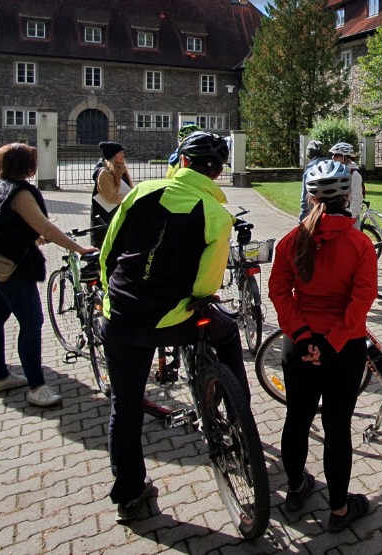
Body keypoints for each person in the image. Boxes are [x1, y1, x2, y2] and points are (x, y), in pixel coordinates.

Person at [99, 130, 249, 523]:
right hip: (174, 318)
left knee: (125, 405)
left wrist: (111, 292)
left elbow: (109, 250)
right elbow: (206, 286)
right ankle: (238, 416)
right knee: (228, 332)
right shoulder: (216, 214)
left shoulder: (142, 192)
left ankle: (130, 492)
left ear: (182, 161)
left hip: (122, 314)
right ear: (218, 173)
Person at [269, 159, 377, 533]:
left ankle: (295, 489)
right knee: (337, 427)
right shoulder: (361, 244)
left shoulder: (290, 240)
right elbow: (363, 298)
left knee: (297, 418)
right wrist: (332, 343)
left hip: (299, 344)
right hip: (343, 348)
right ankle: (340, 509)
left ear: (311, 196)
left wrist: (303, 337)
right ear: (347, 196)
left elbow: (279, 292)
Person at [0, 143, 96, 407]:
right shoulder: (20, 192)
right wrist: (80, 249)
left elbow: (3, 224)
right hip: (15, 266)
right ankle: (37, 387)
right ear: (26, 165)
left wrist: (32, 236)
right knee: (31, 322)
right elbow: (46, 228)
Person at [90, 141, 133, 247]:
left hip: (118, 215)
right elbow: (111, 197)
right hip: (105, 219)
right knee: (105, 246)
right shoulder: (105, 173)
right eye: (120, 153)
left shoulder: (121, 169)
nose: (123, 155)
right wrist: (132, 197)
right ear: (113, 156)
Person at [329, 142, 363, 229]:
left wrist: (351, 217)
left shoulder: (354, 174)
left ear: (345, 157)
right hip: (335, 215)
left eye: (336, 155)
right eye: (332, 155)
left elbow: (357, 198)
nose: (333, 157)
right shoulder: (335, 171)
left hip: (348, 216)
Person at [299, 139, 327, 221]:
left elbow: (305, 198)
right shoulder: (330, 166)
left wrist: (302, 219)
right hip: (329, 215)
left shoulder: (310, 171)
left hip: (313, 214)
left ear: (308, 154)